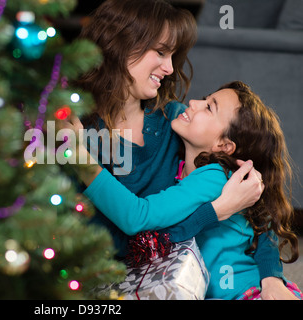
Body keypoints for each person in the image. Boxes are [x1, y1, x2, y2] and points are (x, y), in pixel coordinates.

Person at [73, 0, 287, 298]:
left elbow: (260, 212)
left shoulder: (175, 120)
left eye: (172, 55)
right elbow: (130, 238)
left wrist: (273, 278)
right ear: (121, 44)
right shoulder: (79, 134)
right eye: (161, 52)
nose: (170, 67)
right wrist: (217, 211)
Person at [70, 81, 300, 299]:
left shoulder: (215, 176)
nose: (192, 102)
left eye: (209, 107)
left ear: (224, 145)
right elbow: (159, 239)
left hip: (242, 294)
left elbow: (137, 216)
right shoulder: (181, 170)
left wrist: (82, 159)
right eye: (203, 99)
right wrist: (214, 212)